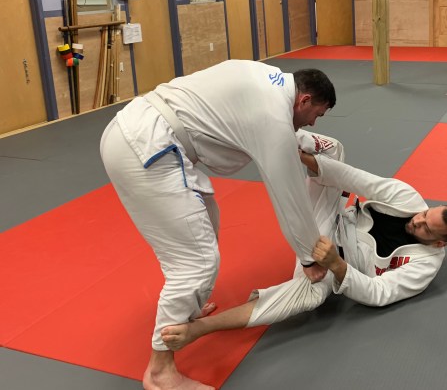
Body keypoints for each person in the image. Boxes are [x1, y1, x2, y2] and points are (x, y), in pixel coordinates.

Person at [99, 61, 336, 390]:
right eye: (316, 115)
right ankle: (160, 370)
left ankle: (187, 310)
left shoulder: (268, 82)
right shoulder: (272, 114)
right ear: (304, 100)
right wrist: (310, 258)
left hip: (139, 132)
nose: (312, 122)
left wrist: (314, 145)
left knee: (207, 220)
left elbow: (285, 135)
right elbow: (289, 193)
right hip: (146, 147)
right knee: (195, 262)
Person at [158, 132, 447, 351]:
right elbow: (355, 178)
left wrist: (337, 264)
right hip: (329, 220)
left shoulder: (424, 266)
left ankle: (201, 328)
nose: (417, 220)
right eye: (425, 214)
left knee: (312, 296)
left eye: (427, 229)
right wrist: (301, 158)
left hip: (331, 263)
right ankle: (269, 137)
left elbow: (379, 293)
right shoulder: (409, 199)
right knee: (333, 151)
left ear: (440, 244)